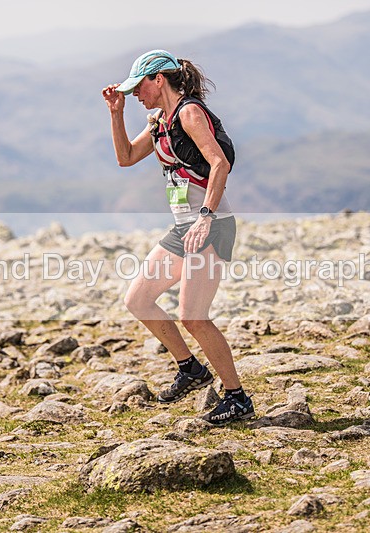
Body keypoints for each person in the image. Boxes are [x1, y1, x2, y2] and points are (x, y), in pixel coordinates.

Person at [101, 49, 254, 425]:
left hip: (210, 223)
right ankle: (190, 369)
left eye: (139, 87)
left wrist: (205, 216)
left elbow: (219, 163)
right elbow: (125, 157)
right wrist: (116, 114)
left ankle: (237, 398)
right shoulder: (159, 123)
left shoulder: (189, 112)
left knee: (193, 317)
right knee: (138, 299)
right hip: (184, 227)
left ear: (158, 80)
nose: (136, 94)